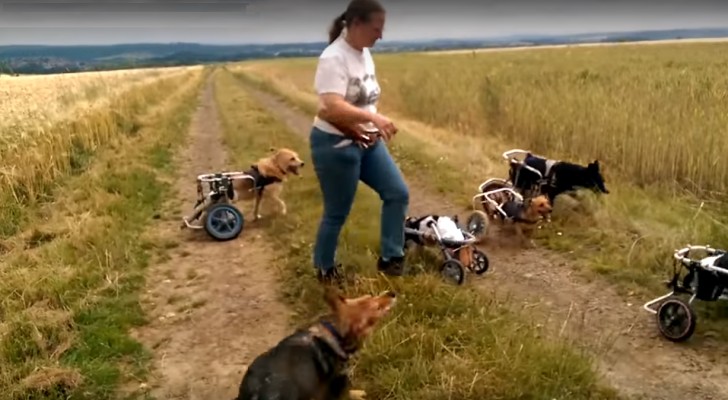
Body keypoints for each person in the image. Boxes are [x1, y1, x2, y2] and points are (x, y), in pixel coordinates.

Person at [309, 0, 410, 285]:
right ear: (356, 24)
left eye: (382, 28)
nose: (380, 35)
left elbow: (363, 98)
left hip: (367, 142)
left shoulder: (364, 53)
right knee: (337, 212)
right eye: (376, 28)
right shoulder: (333, 57)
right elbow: (329, 107)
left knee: (397, 193)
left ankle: (391, 258)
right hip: (335, 146)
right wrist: (373, 119)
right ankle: (325, 270)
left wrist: (368, 125)